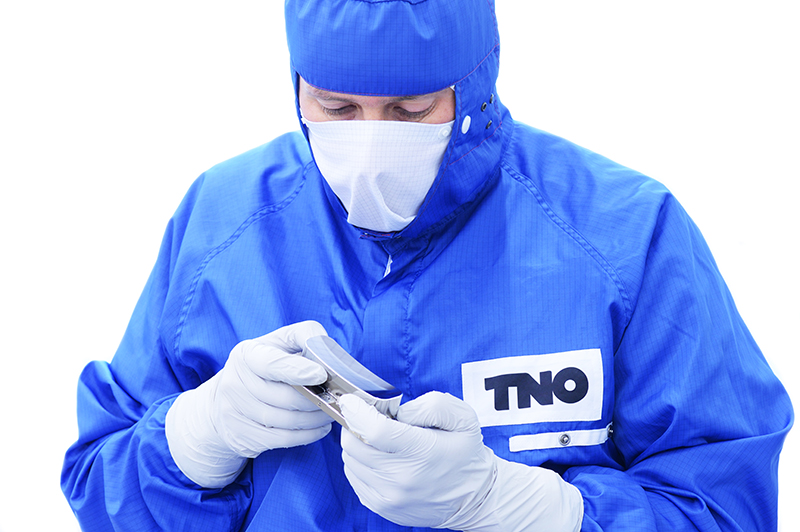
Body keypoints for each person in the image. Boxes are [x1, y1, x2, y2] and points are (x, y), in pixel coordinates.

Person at [61, 1, 793, 530]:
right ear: (297, 86)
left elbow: (726, 506)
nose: (371, 144)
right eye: (337, 108)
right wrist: (199, 436)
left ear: (473, 84)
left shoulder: (626, 235)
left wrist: (530, 509)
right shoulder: (222, 223)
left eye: (410, 111)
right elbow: (101, 484)